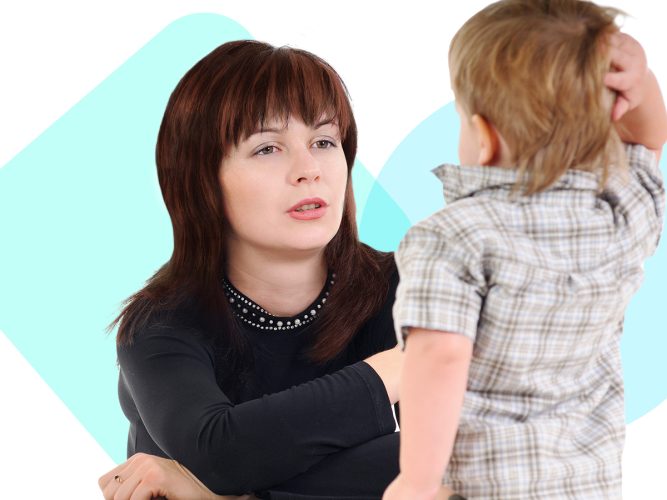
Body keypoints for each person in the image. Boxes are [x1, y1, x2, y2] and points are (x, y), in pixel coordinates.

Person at [97, 40, 408, 500]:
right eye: (267, 148)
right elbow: (222, 452)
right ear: (201, 179)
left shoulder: (410, 286)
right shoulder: (158, 327)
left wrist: (228, 494)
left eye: (324, 141)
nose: (308, 170)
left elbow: (470, 458)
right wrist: (406, 366)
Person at [384, 1, 667, 499]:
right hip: (590, 485)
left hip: (488, 486)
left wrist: (418, 481)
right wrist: (639, 82)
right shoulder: (623, 212)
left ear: (485, 137)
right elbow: (648, 139)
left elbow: (441, 358)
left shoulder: (453, 236)